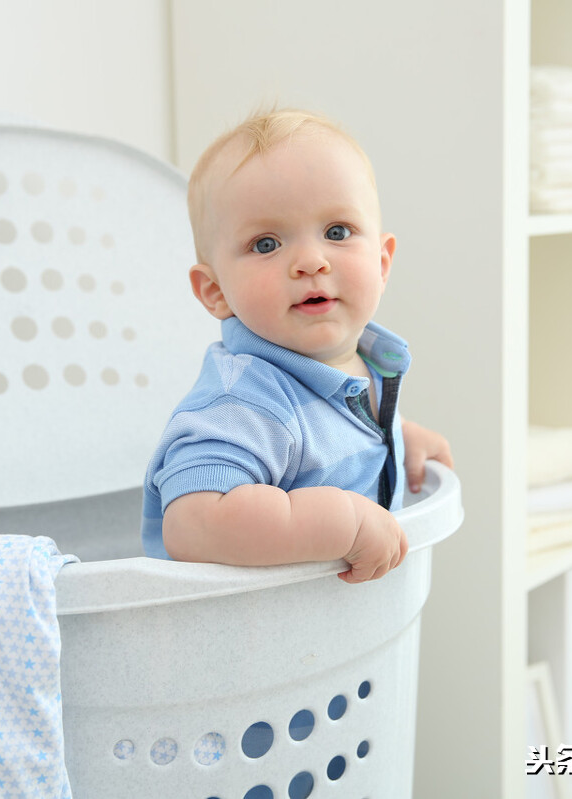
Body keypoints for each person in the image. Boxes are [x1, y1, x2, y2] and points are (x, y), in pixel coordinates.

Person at [142, 109, 452, 582]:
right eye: (266, 244)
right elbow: (193, 521)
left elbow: (332, 426)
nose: (310, 261)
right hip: (239, 645)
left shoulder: (356, 362)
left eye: (337, 233)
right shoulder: (245, 401)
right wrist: (341, 524)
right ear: (215, 291)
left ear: (383, 263)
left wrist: (398, 434)